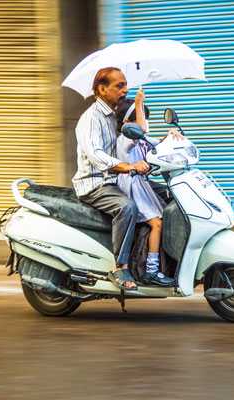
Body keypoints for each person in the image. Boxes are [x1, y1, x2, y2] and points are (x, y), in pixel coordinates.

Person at [72, 67, 148, 291]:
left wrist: (167, 142)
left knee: (162, 195)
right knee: (127, 207)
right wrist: (127, 166)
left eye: (125, 85)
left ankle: (149, 262)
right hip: (95, 183)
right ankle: (120, 267)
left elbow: (139, 134)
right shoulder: (91, 119)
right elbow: (96, 154)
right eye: (119, 86)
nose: (125, 90)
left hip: (117, 179)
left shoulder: (115, 114)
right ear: (102, 89)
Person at [115, 89, 176, 286]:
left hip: (142, 184)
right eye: (138, 119)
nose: (143, 124)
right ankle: (151, 271)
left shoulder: (139, 137)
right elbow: (142, 129)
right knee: (156, 223)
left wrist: (172, 135)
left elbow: (158, 145)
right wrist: (139, 102)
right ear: (126, 123)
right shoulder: (126, 138)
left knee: (167, 214)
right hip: (132, 186)